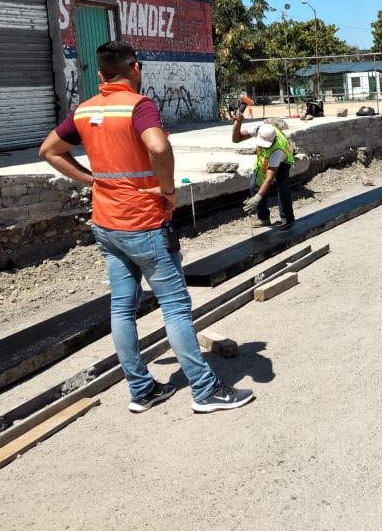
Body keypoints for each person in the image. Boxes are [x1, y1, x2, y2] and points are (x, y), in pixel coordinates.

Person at [39, 42, 254, 413]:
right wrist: (168, 190)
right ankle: (204, 390)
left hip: (106, 224)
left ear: (101, 73)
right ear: (134, 67)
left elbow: (49, 151)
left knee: (122, 308)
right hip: (142, 222)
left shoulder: (85, 110)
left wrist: (92, 182)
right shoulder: (139, 106)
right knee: (175, 305)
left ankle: (141, 390)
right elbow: (157, 145)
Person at [233, 114, 296, 230]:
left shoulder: (278, 150)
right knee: (254, 186)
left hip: (284, 161)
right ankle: (263, 218)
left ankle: (287, 219)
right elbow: (236, 139)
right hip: (264, 159)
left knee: (282, 187)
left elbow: (269, 178)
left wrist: (257, 198)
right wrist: (238, 122)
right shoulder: (259, 129)